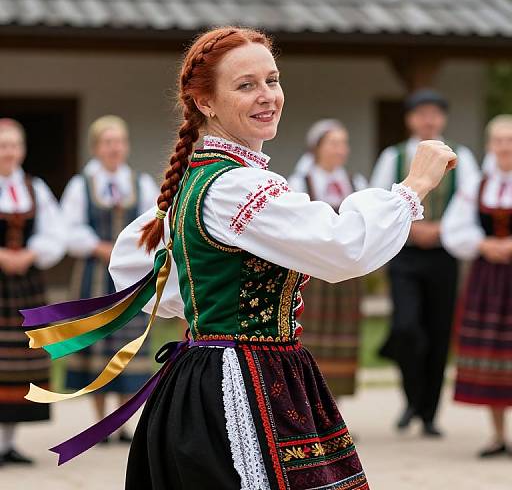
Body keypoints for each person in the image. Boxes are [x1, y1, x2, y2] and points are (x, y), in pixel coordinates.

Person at [23, 27, 456, 489]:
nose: (267, 95)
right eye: (246, 85)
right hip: (243, 384)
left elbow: (139, 271)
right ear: (205, 102)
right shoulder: (235, 187)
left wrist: (209, 310)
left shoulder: (202, 180)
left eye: (272, 80)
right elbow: (343, 247)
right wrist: (413, 187)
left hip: (208, 375)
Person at [370, 89, 480, 437]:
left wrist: (444, 227)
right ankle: (411, 399)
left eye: (435, 113)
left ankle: (429, 412)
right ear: (410, 119)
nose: (428, 120)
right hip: (405, 254)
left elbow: (471, 200)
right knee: (406, 326)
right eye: (422, 113)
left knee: (438, 331)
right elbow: (379, 198)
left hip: (444, 254)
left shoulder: (461, 156)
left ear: (443, 118)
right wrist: (411, 227)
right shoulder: (394, 156)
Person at [60, 115, 158, 442]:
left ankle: (123, 422)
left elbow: (153, 224)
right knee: (99, 347)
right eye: (107, 142)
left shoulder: (141, 183)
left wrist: (131, 250)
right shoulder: (81, 185)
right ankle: (100, 421)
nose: (114, 148)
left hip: (130, 275)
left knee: (128, 347)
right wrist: (96, 246)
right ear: (96, 147)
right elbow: (68, 228)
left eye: (119, 142)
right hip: (94, 275)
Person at [441, 114, 512, 458]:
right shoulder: (478, 184)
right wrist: (483, 245)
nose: (505, 147)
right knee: (493, 355)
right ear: (489, 146)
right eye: (499, 141)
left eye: (510, 140)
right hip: (490, 279)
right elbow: (455, 228)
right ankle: (498, 435)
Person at [0, 118, 66, 465]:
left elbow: (56, 230)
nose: (9, 152)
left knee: (17, 364)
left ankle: (8, 443)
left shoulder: (34, 187)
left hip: (24, 285)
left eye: (14, 145)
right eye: (3, 145)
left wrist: (32, 252)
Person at [288, 119, 367, 398]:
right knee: (311, 338)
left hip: (346, 276)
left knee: (343, 340)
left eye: (344, 143)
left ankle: (337, 413)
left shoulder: (355, 183)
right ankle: (309, 407)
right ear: (316, 148)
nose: (340, 150)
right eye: (333, 143)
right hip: (314, 274)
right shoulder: (300, 183)